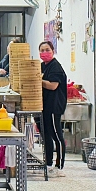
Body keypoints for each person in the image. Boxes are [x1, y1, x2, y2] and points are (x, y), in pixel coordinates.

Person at [38, 41, 68, 176]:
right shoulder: (42, 66)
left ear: (53, 51)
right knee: (46, 136)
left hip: (53, 106)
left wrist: (38, 80)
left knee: (56, 135)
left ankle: (59, 166)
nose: (44, 53)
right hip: (44, 106)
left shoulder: (55, 67)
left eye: (47, 50)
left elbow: (52, 86)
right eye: (42, 50)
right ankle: (48, 163)